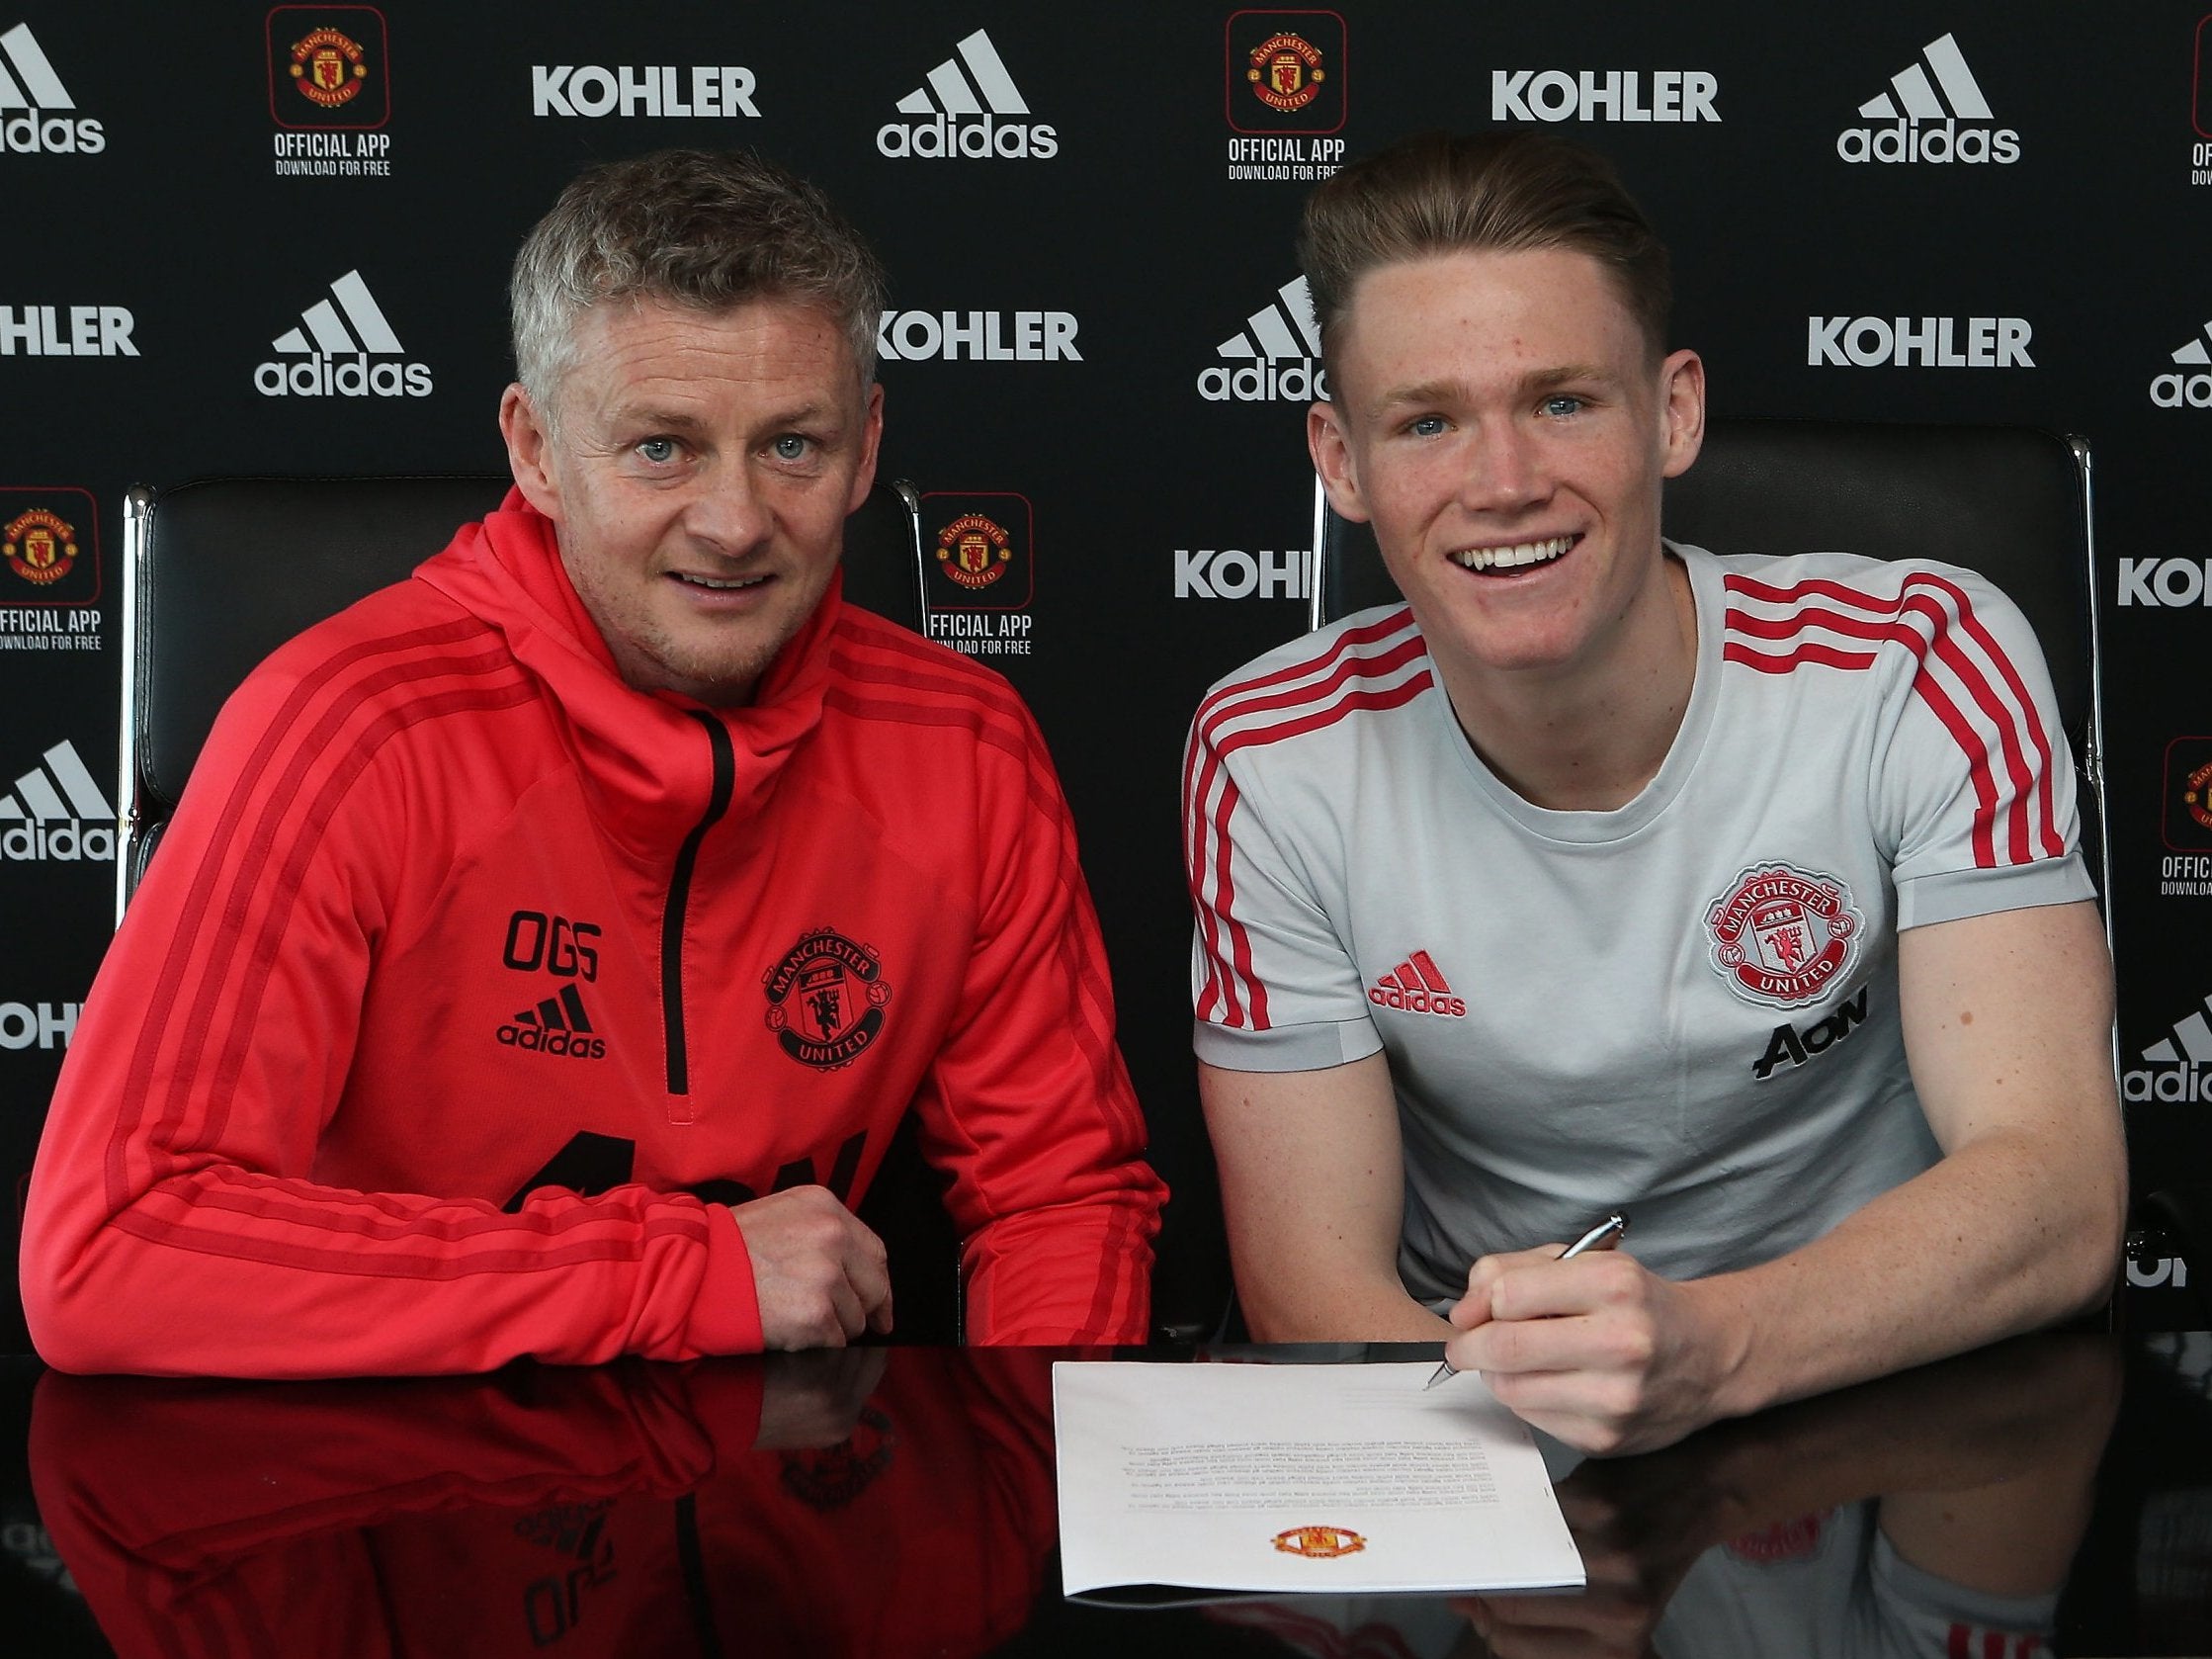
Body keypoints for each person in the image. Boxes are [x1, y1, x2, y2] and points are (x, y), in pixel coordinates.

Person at [22, 148, 1163, 1376]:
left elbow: (1060, 1198)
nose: (733, 521)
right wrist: (685, 1271)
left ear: (869, 442)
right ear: (535, 450)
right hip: (396, 1508)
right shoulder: (345, 729)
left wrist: (1046, 1490)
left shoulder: (965, 744)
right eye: (661, 448)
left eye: (793, 446)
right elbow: (114, 1243)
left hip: (791, 1519)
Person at [1183, 131, 2123, 1455]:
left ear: (1671, 411)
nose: (1502, 482)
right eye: (1427, 421)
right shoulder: (1267, 751)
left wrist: (1716, 1346)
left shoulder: (1923, 657)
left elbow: (2057, 1195)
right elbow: (1315, 1293)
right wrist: (1543, 1483)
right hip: (1483, 1423)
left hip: (1873, 1394)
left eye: (1563, 400)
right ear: (1340, 462)